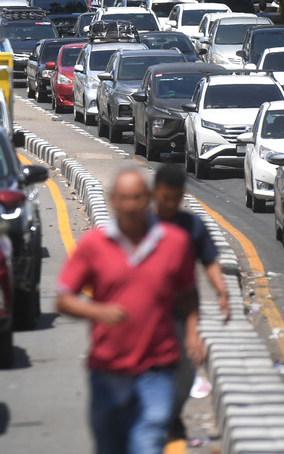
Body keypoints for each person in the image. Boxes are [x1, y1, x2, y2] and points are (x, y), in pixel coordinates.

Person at [57, 168, 203, 454]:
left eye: (137, 198)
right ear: (112, 200)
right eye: (124, 198)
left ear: (148, 199)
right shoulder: (94, 245)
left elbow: (188, 296)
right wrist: (98, 312)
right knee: (109, 444)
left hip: (157, 368)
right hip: (107, 370)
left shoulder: (175, 242)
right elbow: (63, 299)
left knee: (147, 439)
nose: (131, 206)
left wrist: (192, 333)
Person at [153, 163, 229, 442]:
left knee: (186, 371)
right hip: (148, 314)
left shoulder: (191, 226)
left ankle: (171, 415)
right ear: (155, 194)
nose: (170, 204)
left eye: (175, 198)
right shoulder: (142, 225)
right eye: (165, 198)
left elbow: (210, 261)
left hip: (182, 312)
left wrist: (222, 292)